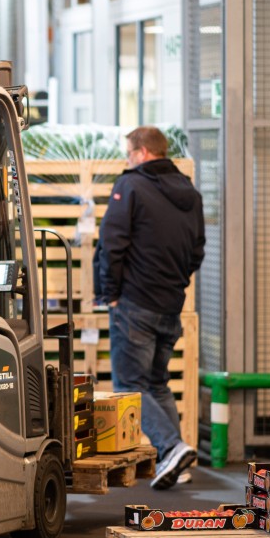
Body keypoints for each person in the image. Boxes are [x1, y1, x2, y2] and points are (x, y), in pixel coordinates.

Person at [97, 125, 205, 490]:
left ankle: (171, 447)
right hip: (171, 302)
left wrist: (109, 292)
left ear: (142, 152)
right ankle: (177, 461)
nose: (127, 160)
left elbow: (112, 243)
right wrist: (175, 285)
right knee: (157, 383)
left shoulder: (130, 186)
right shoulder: (189, 192)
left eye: (128, 153)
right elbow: (197, 250)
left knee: (130, 382)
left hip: (135, 301)